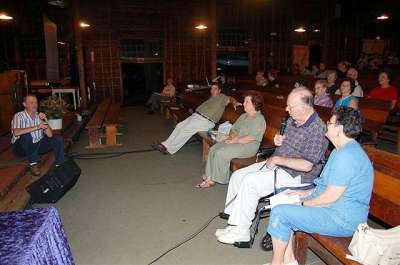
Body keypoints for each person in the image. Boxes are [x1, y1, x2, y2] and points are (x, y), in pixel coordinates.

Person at [215, 87, 329, 244]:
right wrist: (278, 141)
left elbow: (307, 165)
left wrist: (277, 160)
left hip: (297, 175)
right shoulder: (293, 120)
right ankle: (235, 224)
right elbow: (284, 142)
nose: (286, 109)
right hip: (279, 163)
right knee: (237, 176)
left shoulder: (317, 129)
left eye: (290, 106)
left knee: (250, 181)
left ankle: (242, 232)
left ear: (304, 107)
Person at [265, 107, 373, 265]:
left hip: (342, 218)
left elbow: (329, 198)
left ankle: (278, 263)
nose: (327, 125)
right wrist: (302, 193)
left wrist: (302, 203)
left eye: (330, 122)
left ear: (339, 129)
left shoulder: (347, 156)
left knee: (281, 213)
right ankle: (288, 260)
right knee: (282, 197)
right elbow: (325, 187)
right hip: (333, 208)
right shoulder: (340, 150)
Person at [197, 91, 266, 188]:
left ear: (254, 104)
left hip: (248, 146)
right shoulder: (243, 116)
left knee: (220, 153)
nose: (243, 103)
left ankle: (217, 178)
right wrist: (231, 137)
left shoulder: (259, 119)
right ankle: (209, 176)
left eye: (247, 102)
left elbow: (250, 138)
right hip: (236, 141)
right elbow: (234, 129)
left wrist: (234, 140)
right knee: (213, 149)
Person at [153, 83, 242, 155]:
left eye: (215, 88)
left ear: (219, 90)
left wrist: (235, 102)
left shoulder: (222, 97)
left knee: (185, 130)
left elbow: (230, 98)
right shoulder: (211, 98)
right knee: (180, 126)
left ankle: (169, 150)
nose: (212, 90)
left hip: (206, 121)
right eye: (211, 88)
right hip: (197, 117)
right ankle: (165, 144)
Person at [11, 94, 65, 176]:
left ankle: (60, 164)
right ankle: (33, 164)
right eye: (31, 103)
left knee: (57, 139)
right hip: (21, 148)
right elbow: (16, 132)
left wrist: (45, 120)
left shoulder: (39, 116)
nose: (35, 105)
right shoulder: (19, 116)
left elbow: (50, 135)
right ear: (25, 104)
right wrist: (37, 127)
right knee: (26, 135)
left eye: (36, 102)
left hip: (36, 145)